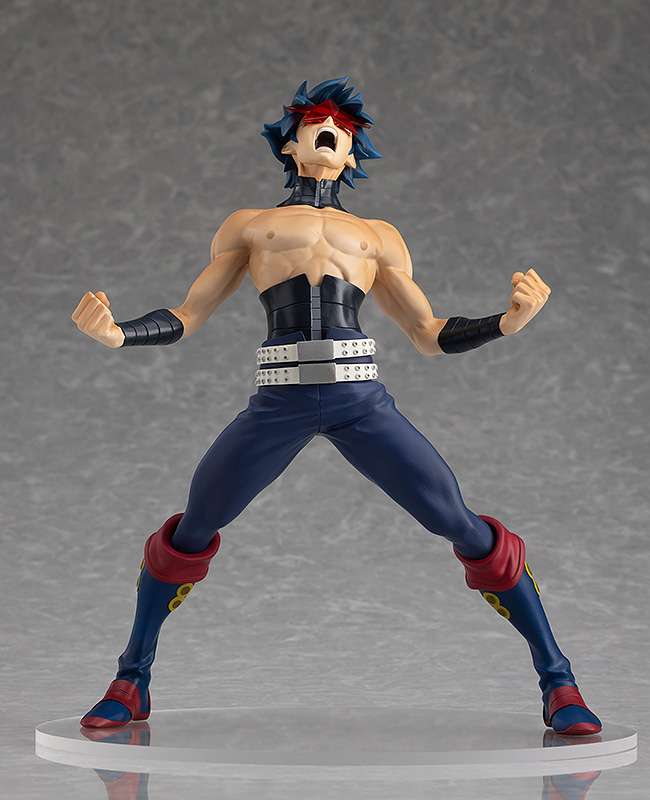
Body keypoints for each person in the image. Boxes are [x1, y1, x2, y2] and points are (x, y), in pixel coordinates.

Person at [72, 77, 601, 735]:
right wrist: (120, 333)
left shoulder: (377, 237)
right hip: (280, 401)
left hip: (359, 400)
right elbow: (190, 312)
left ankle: (559, 681)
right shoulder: (251, 226)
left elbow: (428, 332)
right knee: (190, 530)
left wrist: (505, 322)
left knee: (463, 525)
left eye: (343, 128)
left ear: (351, 154)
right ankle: (131, 680)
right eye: (314, 122)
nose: (328, 129)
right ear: (289, 146)